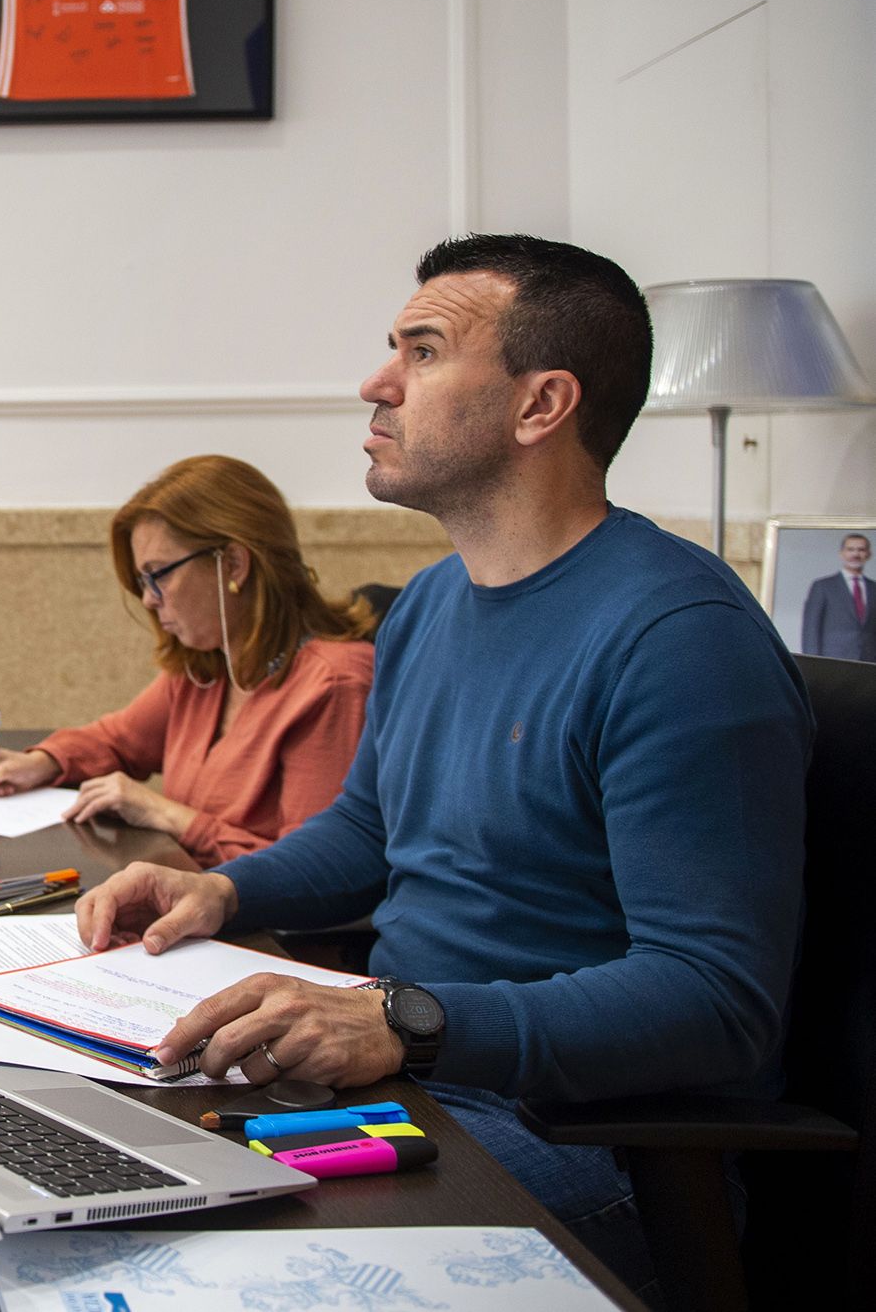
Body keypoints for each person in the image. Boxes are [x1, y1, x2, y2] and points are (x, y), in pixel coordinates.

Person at [70, 234, 811, 1293]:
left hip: (575, 1135)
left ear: (540, 404)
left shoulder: (678, 636)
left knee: (170, 1259)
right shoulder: (426, 604)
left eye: (421, 352)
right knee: (86, 1170)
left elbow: (714, 997)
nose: (377, 384)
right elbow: (369, 829)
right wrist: (223, 889)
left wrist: (403, 1020)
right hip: (412, 1088)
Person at [0, 455, 376, 865]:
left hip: (252, 912)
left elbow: (312, 873)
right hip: (190, 897)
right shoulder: (209, 666)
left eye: (158, 575)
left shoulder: (334, 684)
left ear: (233, 564)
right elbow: (117, 741)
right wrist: (40, 763)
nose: (147, 599)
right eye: (143, 581)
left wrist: (167, 814)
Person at [799, 532, 873, 660]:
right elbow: (811, 629)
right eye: (850, 549)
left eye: (861, 550)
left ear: (868, 554)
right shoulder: (823, 586)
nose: (855, 554)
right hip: (834, 660)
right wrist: (812, 663)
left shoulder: (873, 588)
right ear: (842, 553)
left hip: (869, 662)